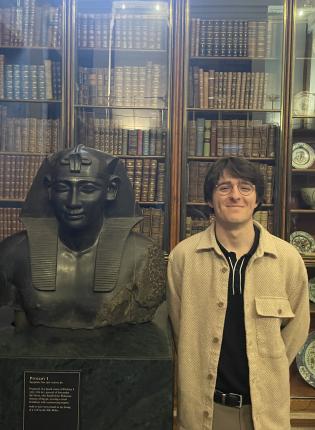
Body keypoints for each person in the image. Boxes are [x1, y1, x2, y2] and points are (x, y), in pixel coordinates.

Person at [167, 157, 310, 430]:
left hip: (266, 415)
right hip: (202, 415)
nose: (235, 195)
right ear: (210, 199)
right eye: (224, 187)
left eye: (245, 187)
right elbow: (176, 332)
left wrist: (269, 368)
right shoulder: (182, 259)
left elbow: (296, 332)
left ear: (257, 199)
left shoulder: (288, 260)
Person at [0, 145, 165, 329]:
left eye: (87, 188)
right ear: (48, 189)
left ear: (111, 189)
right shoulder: (13, 253)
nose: (73, 202)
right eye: (63, 188)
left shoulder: (144, 255)